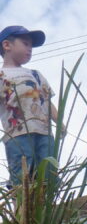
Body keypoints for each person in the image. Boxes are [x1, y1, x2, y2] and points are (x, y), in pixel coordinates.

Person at [0, 24, 60, 186]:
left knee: (49, 174)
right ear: (7, 45)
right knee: (23, 177)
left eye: (31, 46)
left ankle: (47, 201)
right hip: (17, 134)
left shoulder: (35, 75)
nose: (30, 49)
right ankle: (22, 201)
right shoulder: (1, 76)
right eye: (25, 43)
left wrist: (59, 122)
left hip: (44, 132)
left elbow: (47, 101)